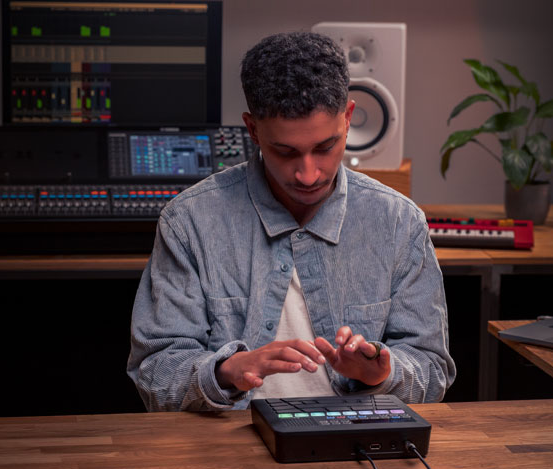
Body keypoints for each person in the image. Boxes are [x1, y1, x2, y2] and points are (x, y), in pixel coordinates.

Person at [127, 31, 455, 411]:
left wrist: (381, 373)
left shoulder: (399, 222)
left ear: (348, 119)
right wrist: (224, 372)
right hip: (229, 455)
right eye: (285, 152)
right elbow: (154, 374)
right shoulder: (189, 222)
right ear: (252, 130)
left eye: (325, 147)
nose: (308, 174)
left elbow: (432, 372)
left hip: (359, 451)